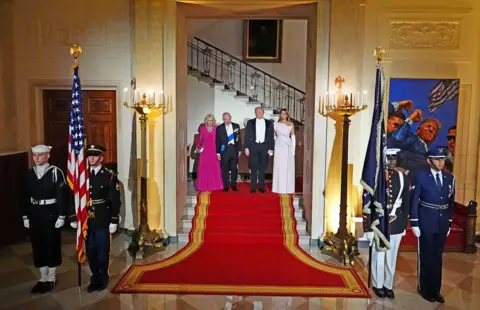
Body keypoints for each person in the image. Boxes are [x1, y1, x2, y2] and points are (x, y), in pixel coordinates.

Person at [72, 144, 121, 292]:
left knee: (102, 250)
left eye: (95, 155)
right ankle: (94, 277)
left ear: (101, 157)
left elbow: (115, 199)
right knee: (91, 250)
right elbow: (75, 196)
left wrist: (114, 220)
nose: (91, 158)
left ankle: (103, 277)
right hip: (87, 219)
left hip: (102, 217)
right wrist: (74, 217)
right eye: (89, 155)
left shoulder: (109, 175)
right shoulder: (83, 176)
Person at [410, 146, 455, 303]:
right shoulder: (421, 176)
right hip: (426, 221)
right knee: (426, 256)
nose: (441, 162)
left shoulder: (450, 178)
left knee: (437, 257)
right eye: (437, 159)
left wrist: (449, 222)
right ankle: (425, 288)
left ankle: (436, 290)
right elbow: (414, 199)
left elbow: (450, 203)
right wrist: (414, 222)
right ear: (429, 160)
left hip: (442, 223)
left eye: (442, 159)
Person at [22, 145, 68, 294]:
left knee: (51, 244)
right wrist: (25, 216)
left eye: (40, 155)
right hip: (35, 213)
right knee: (38, 244)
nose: (36, 158)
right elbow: (24, 196)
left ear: (48, 156)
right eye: (34, 155)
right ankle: (42, 277)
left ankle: (51, 277)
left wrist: (61, 215)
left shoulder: (55, 172)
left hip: (50, 213)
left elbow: (61, 196)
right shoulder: (30, 174)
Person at [365, 148, 410, 299]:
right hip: (379, 221)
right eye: (388, 158)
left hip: (396, 221)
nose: (391, 161)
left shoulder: (403, 177)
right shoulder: (375, 178)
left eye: (394, 158)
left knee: (392, 256)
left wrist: (404, 222)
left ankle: (388, 285)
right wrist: (368, 227)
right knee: (378, 255)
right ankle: (377, 284)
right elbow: (369, 203)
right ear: (383, 159)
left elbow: (406, 203)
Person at [244, 107, 275, 193]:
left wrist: (271, 148)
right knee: (253, 167)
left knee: (263, 168)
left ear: (263, 113)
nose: (259, 113)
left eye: (260, 112)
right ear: (255, 113)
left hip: (264, 147)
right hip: (253, 146)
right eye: (257, 112)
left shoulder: (269, 123)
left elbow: (271, 137)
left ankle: (262, 187)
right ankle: (253, 188)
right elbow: (247, 135)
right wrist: (246, 148)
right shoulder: (250, 122)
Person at [195, 114, 223, 191]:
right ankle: (203, 185)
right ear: (206, 121)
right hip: (205, 152)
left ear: (213, 121)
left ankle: (215, 185)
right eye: (208, 120)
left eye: (211, 120)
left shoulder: (217, 128)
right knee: (204, 168)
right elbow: (200, 140)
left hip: (214, 151)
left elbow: (220, 140)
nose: (210, 122)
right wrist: (197, 148)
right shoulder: (202, 128)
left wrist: (221, 151)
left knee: (215, 168)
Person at [216, 112, 242, 192]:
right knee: (225, 169)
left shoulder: (236, 126)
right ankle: (226, 186)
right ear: (223, 119)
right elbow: (217, 141)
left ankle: (234, 185)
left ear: (231, 118)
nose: (227, 121)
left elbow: (238, 139)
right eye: (225, 119)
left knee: (234, 168)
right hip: (224, 151)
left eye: (229, 119)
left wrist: (240, 149)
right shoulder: (219, 128)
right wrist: (218, 152)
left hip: (234, 150)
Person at [272, 109, 296, 194]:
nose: (283, 115)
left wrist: (293, 149)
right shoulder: (275, 124)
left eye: (285, 114)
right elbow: (274, 137)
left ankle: (287, 187)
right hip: (278, 145)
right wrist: (274, 147)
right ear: (280, 115)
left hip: (287, 145)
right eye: (282, 113)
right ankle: (278, 187)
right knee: (279, 165)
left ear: (287, 115)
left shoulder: (291, 124)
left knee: (287, 165)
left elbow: (293, 137)